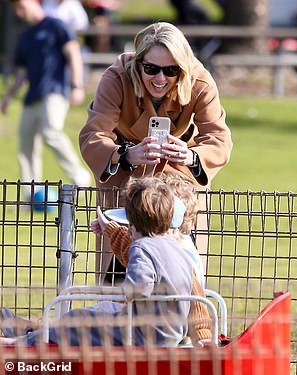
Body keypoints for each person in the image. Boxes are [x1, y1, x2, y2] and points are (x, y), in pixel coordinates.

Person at [79, 21, 233, 283]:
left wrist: (191, 156)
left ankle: (186, 309)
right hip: (126, 169)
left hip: (179, 174)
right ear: (138, 64)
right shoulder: (117, 77)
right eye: (151, 69)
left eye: (171, 70)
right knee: (119, 265)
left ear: (182, 70)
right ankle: (117, 311)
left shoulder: (200, 81)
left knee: (182, 266)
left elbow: (219, 138)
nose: (160, 79)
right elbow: (93, 136)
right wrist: (126, 154)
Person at [0, 176, 193, 347]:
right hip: (170, 330)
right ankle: (34, 334)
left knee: (79, 320)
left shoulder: (142, 247)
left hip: (144, 334)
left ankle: (21, 343)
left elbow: (139, 289)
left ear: (131, 222)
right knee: (104, 308)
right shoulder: (176, 246)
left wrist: (125, 290)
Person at [90, 172, 212, 346]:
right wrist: (109, 227)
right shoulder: (160, 245)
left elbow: (196, 302)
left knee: (94, 316)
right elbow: (130, 249)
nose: (131, 228)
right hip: (162, 331)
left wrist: (203, 336)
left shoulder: (179, 253)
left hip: (165, 336)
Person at [1, 0, 91, 201]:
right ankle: (31, 196)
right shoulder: (25, 36)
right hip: (31, 97)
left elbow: (74, 53)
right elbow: (22, 73)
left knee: (50, 132)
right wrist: (8, 96)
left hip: (55, 92)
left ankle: (80, 176)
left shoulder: (55, 25)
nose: (18, 10)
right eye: (14, 7)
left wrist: (77, 85)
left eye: (21, 4)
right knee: (25, 145)